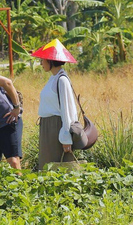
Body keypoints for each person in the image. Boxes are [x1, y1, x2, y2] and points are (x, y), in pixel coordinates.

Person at [33, 39, 79, 170]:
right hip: (47, 127)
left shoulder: (62, 80)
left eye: (43, 60)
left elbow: (67, 110)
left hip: (56, 127)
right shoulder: (53, 78)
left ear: (50, 61)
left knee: (58, 166)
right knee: (47, 165)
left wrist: (66, 138)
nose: (41, 63)